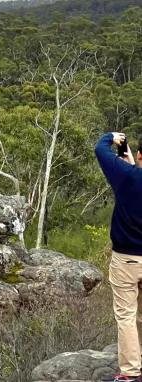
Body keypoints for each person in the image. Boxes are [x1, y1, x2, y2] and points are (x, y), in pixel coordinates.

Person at [96, 132, 142, 382]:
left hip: (126, 259)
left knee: (126, 316)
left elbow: (100, 150)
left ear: (139, 155)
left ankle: (131, 372)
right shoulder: (130, 175)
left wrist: (110, 137)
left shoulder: (126, 177)